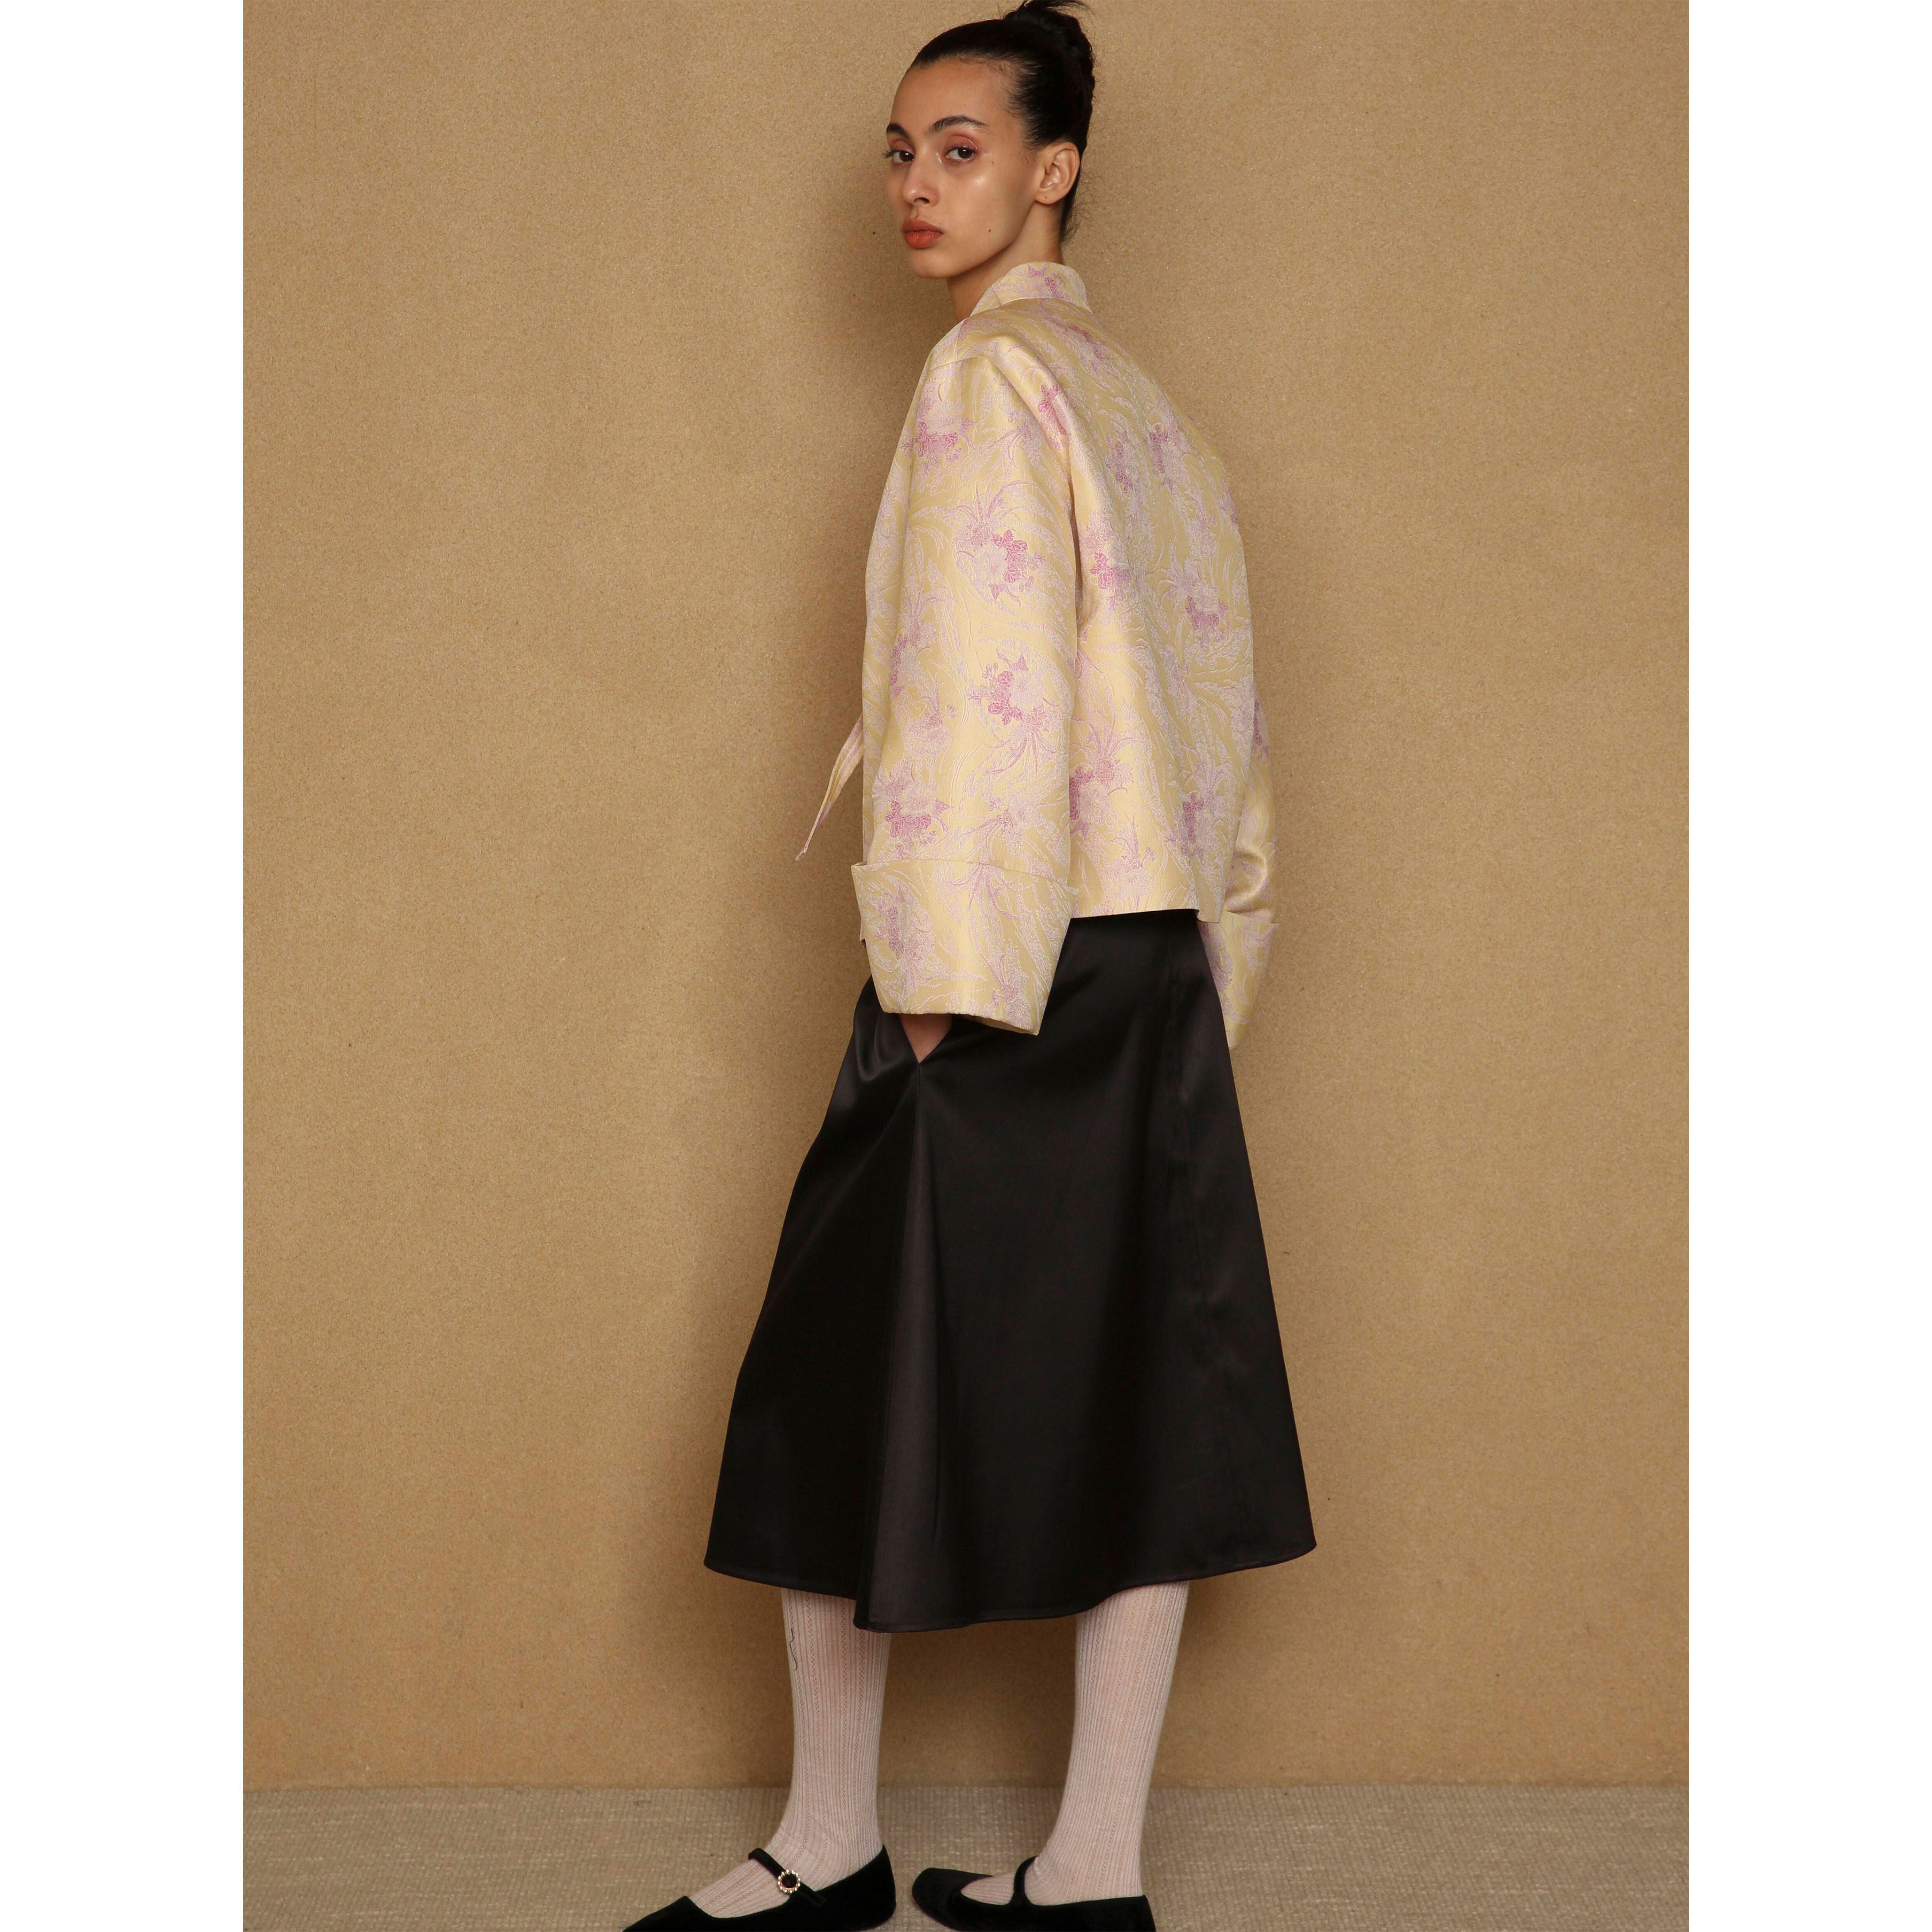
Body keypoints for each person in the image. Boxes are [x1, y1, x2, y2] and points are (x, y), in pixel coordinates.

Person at [625, 5, 1314, 1927]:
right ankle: (1090, 1873)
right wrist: (1213, 958)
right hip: (1147, 963)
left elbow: (970, 690)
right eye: (901, 152)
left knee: (830, 1381)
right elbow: (1226, 721)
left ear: (1053, 166)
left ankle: (830, 1841)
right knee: (1136, 1396)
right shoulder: (1147, 409)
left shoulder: (985, 383)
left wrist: (934, 982)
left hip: (1003, 959)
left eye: (961, 147)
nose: (918, 186)